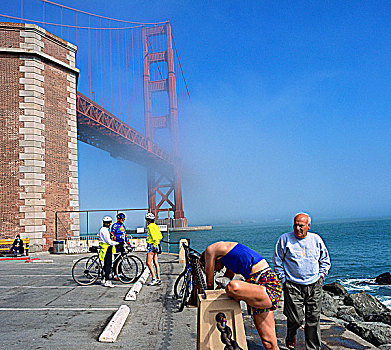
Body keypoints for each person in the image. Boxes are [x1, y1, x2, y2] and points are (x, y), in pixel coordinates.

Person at [202, 241, 282, 350]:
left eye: (215, 268)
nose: (218, 270)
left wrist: (209, 297)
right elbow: (229, 275)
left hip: (267, 284)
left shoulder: (212, 250)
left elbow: (210, 283)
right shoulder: (230, 255)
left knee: (232, 287)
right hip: (256, 288)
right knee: (269, 343)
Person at [273, 213, 331, 350]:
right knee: (296, 319)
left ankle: (313, 348)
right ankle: (291, 334)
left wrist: (322, 275)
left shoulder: (316, 239)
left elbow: (325, 260)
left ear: (308, 226)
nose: (297, 228)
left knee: (313, 320)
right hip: (293, 286)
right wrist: (283, 280)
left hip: (314, 285)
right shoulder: (284, 239)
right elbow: (277, 261)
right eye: (295, 225)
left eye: (301, 225)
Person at [98, 216, 119, 288]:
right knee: (108, 265)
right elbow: (108, 241)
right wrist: (117, 243)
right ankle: (107, 281)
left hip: (104, 248)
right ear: (109, 223)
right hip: (107, 249)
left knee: (105, 265)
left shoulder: (102, 229)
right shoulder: (105, 230)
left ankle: (103, 279)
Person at [145, 212, 163, 286]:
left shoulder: (150, 227)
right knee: (156, 262)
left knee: (148, 263)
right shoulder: (156, 226)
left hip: (152, 245)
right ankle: (158, 279)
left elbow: (153, 236)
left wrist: (154, 245)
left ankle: (154, 279)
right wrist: (157, 244)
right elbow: (160, 236)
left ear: (148, 220)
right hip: (157, 244)